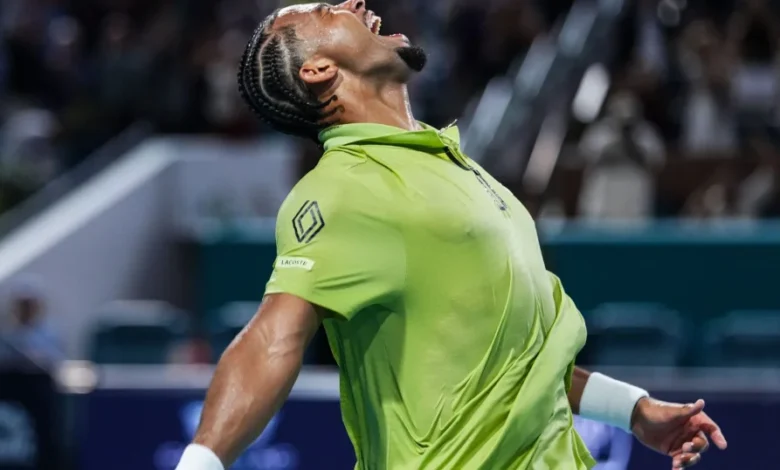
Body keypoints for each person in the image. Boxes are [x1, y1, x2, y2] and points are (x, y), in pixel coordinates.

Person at [175, 2, 728, 469]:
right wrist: (199, 463)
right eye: (326, 12)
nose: (354, 4)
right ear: (318, 69)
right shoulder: (344, 188)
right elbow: (274, 338)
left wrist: (633, 410)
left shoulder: (465, 172)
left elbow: (522, 361)